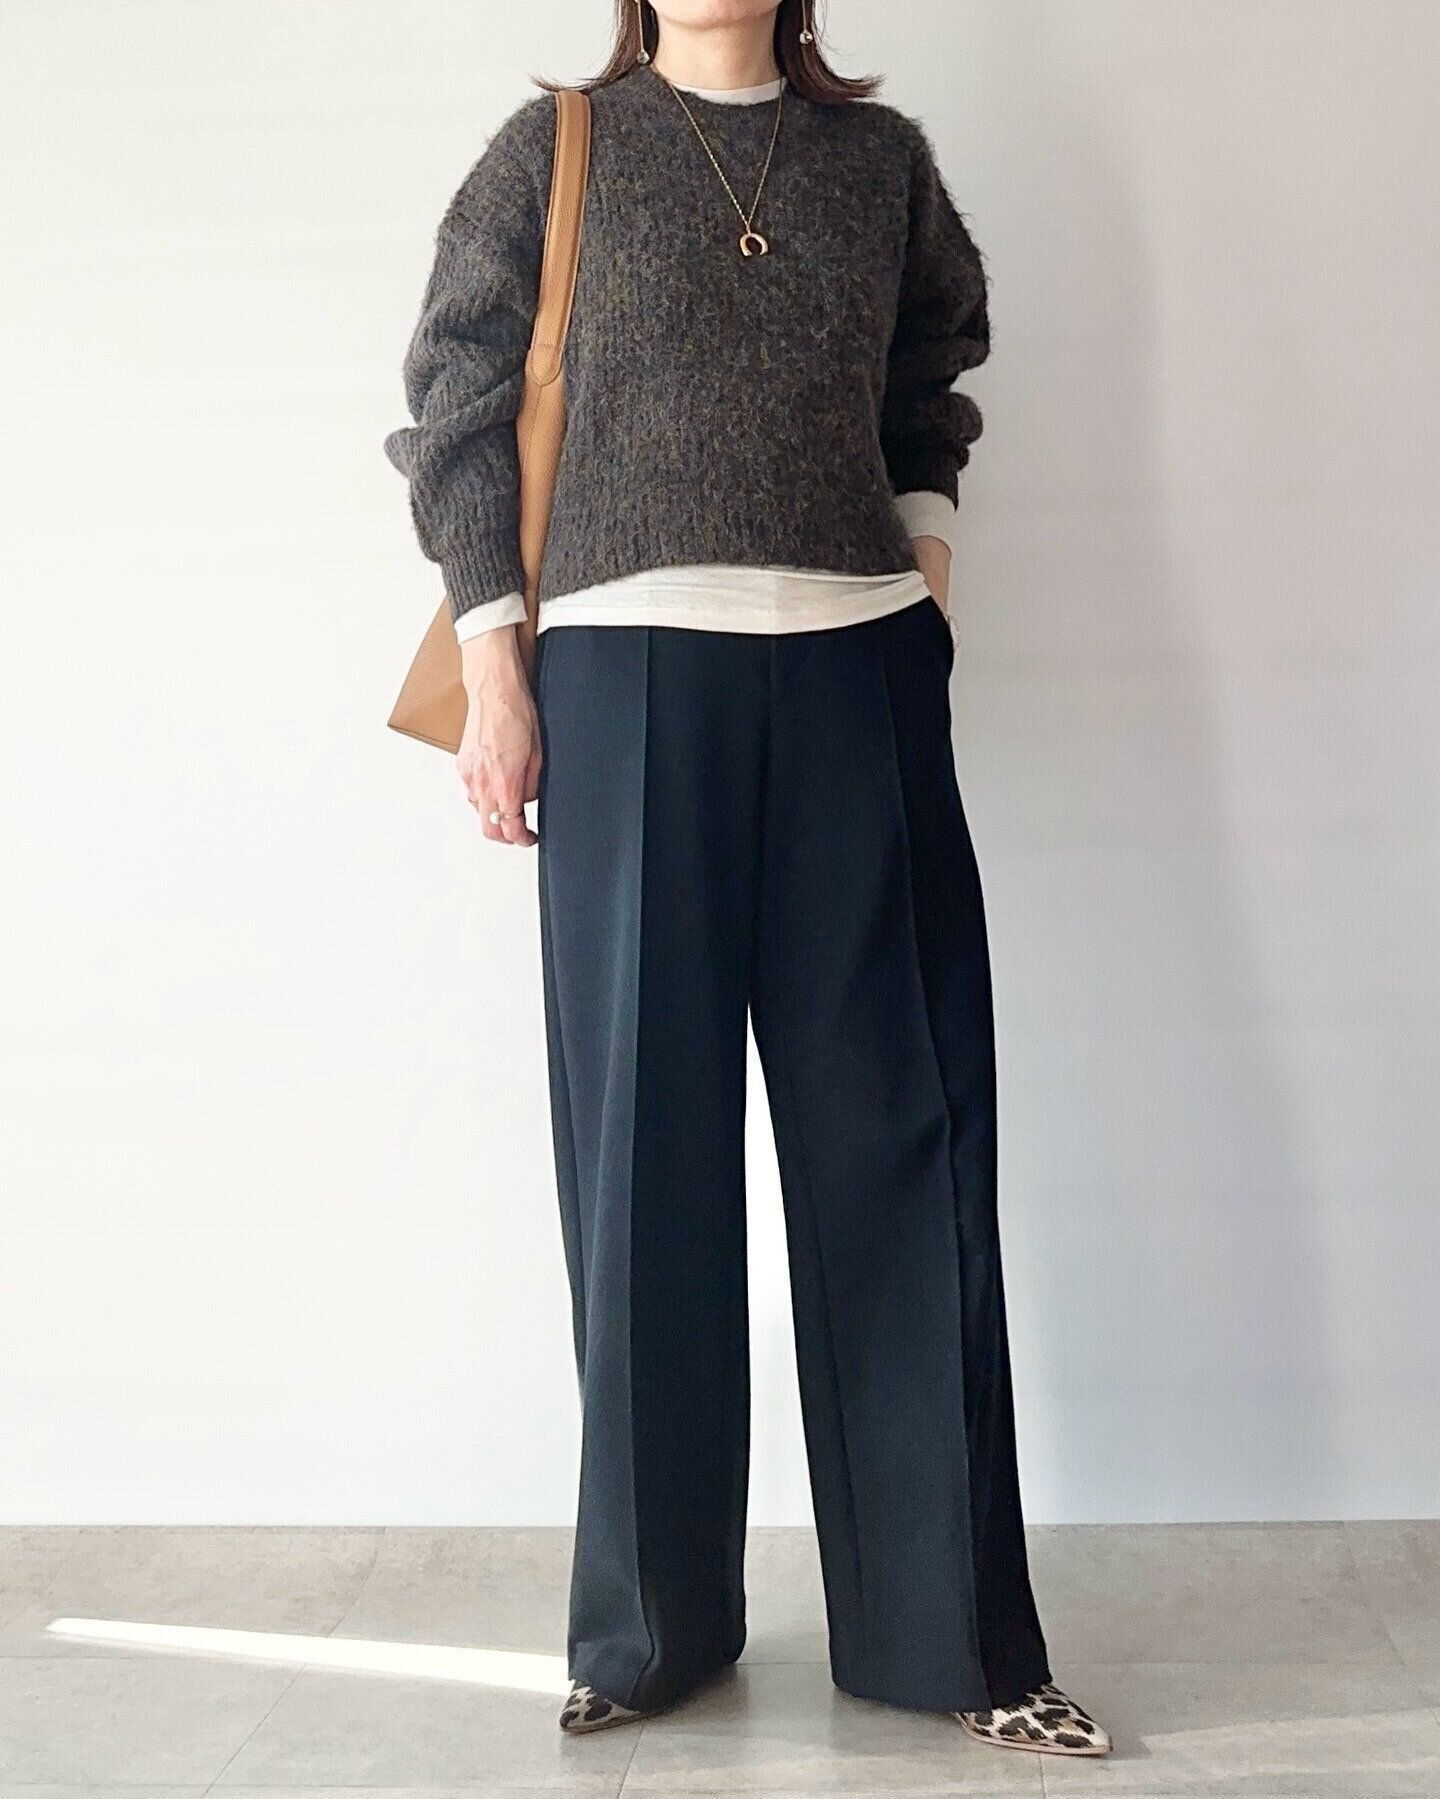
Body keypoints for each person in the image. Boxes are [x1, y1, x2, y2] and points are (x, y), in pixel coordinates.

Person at [385, 0, 1112, 1761]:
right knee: (644, 1156)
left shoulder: (880, 164)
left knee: (908, 1140)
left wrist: (929, 568)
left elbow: (931, 378)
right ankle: (647, 1633)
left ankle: (955, 1638)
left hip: (861, 665)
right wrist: (495, 663)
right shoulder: (555, 150)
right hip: (626, 676)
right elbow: (455, 404)